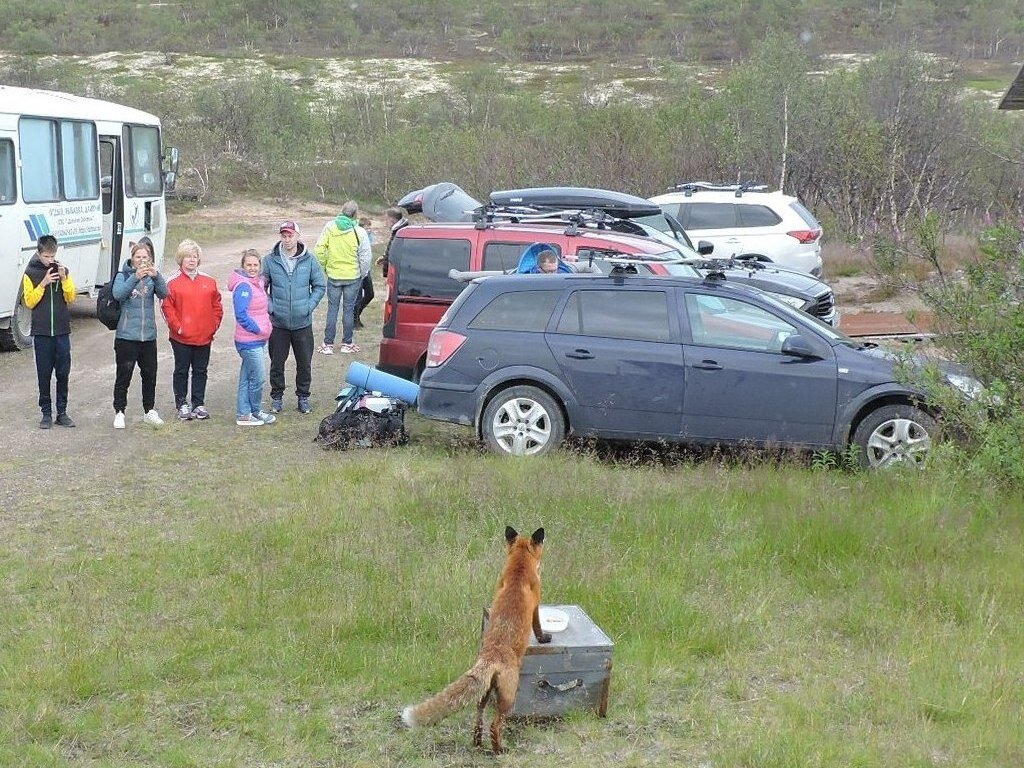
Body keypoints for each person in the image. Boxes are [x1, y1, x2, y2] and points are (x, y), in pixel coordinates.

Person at [262, 220, 327, 414]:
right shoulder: (270, 260)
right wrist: (271, 307)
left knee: (304, 363)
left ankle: (303, 397)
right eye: (284, 235)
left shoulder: (310, 260)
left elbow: (320, 286)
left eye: (290, 235)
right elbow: (260, 287)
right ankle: (277, 397)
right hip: (278, 323)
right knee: (277, 363)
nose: (287, 239)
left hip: (302, 323)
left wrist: (308, 306)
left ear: (298, 236)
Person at [162, 239, 223, 421]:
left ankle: (198, 403)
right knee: (181, 370)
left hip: (204, 336)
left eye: (195, 256)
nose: (191, 260)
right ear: (181, 259)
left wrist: (213, 326)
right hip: (181, 337)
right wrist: (178, 327)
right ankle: (182, 404)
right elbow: (166, 307)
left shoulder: (209, 281)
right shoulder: (172, 282)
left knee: (200, 370)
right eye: (188, 256)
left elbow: (217, 306)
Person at [112, 240, 169, 428]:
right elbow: (118, 294)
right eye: (138, 257)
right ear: (132, 258)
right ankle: (119, 411)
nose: (142, 260)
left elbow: (164, 293)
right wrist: (134, 277)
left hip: (148, 336)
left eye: (145, 257)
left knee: (150, 375)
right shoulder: (123, 275)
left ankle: (149, 410)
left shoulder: (152, 278)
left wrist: (157, 276)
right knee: (124, 375)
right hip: (126, 336)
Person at [22, 235, 77, 429]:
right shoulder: (31, 273)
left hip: (62, 331)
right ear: (39, 253)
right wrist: (43, 283)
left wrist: (64, 279)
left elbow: (71, 297)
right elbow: (29, 302)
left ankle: (62, 412)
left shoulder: (62, 270)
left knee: (63, 373)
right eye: (46, 256)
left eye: (53, 256)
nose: (50, 260)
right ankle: (46, 412)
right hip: (42, 333)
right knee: (43, 374)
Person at [314, 200, 372, 354]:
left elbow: (319, 248)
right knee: (348, 309)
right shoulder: (359, 232)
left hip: (334, 275)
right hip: (353, 276)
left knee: (332, 309)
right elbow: (365, 257)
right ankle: (347, 343)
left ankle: (328, 344)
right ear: (355, 214)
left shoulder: (329, 227)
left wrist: (325, 265)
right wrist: (363, 273)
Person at [229, 249, 275, 426]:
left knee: (247, 377)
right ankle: (255, 410)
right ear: (243, 265)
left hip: (257, 340)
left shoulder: (257, 283)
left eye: (255, 265)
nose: (252, 268)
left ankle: (243, 414)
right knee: (258, 378)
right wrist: (258, 329)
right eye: (249, 264)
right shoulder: (243, 287)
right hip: (249, 341)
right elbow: (241, 314)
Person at [353, 216, 375, 329]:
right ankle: (354, 320)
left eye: (370, 227)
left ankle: (356, 316)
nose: (369, 229)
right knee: (357, 297)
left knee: (370, 294)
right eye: (367, 227)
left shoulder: (370, 237)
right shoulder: (357, 236)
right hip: (358, 270)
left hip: (367, 270)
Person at [379, 206, 409, 278]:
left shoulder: (399, 233)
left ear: (391, 220)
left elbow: (393, 253)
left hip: (396, 273)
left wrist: (386, 275)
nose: (385, 223)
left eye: (386, 220)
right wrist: (384, 257)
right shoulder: (401, 230)